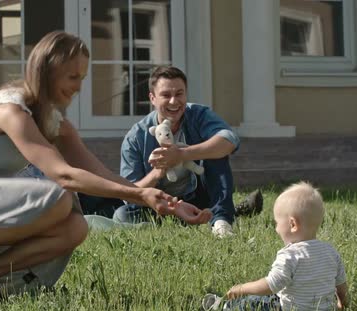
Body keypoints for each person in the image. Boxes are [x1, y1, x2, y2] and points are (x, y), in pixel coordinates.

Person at [0, 31, 209, 297]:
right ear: (49, 71)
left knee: (75, 227)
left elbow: (102, 174)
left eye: (82, 77)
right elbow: (64, 175)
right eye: (72, 76)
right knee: (59, 197)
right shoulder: (8, 110)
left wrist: (168, 202)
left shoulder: (54, 122)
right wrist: (139, 194)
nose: (79, 87)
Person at [111, 66, 262, 237]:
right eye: (166, 95)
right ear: (152, 98)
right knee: (122, 214)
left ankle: (221, 221)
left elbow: (229, 140)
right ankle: (226, 212)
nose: (174, 101)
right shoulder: (135, 137)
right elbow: (129, 193)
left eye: (179, 94)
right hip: (160, 205)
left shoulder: (198, 114)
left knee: (215, 151)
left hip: (198, 195)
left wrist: (182, 155)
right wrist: (158, 172)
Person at [201, 182, 349, 311]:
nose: (276, 228)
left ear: (292, 224)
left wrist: (242, 288)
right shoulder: (331, 252)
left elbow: (270, 285)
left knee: (254, 301)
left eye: (277, 223)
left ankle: (225, 307)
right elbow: (342, 288)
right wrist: (342, 306)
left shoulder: (291, 255)